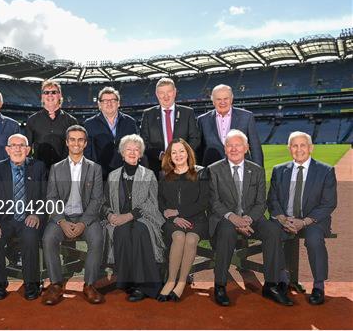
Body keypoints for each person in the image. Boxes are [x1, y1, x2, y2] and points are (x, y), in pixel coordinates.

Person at [208, 129, 292, 306]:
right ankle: (220, 285)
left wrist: (247, 219)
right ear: (225, 149)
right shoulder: (214, 170)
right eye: (229, 145)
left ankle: (271, 285)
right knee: (226, 231)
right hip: (225, 219)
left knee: (272, 230)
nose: (233, 149)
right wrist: (233, 218)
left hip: (252, 218)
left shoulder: (257, 170)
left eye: (238, 145)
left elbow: (261, 203)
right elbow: (214, 202)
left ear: (246, 148)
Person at [267, 131, 337, 305]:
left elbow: (329, 204)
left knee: (314, 240)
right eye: (294, 146)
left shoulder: (325, 171)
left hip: (313, 220)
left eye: (303, 145)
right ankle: (282, 280)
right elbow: (272, 199)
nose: (299, 149)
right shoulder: (279, 170)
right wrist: (282, 218)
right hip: (285, 218)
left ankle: (318, 286)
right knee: (272, 234)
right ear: (289, 148)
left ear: (311, 147)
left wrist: (303, 222)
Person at [41, 125, 104, 305]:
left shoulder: (95, 169)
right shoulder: (56, 168)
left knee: (98, 239)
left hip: (86, 218)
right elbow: (51, 198)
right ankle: (56, 284)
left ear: (85, 143)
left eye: (80, 140)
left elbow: (97, 200)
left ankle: (90, 284)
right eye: (73, 140)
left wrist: (83, 223)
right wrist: (61, 221)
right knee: (48, 239)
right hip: (62, 218)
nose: (76, 143)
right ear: (67, 142)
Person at [0, 133, 48, 301]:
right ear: (7, 149)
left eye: (21, 145)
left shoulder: (39, 167)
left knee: (30, 236)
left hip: (29, 218)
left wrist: (37, 213)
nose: (17, 149)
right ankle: (0, 283)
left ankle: (31, 283)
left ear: (28, 150)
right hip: (5, 220)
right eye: (13, 145)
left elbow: (45, 196)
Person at [101, 134, 164, 302]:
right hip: (119, 218)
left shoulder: (149, 175)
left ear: (141, 154)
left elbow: (152, 202)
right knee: (120, 232)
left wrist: (129, 216)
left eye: (136, 149)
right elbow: (104, 202)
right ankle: (126, 281)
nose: (132, 152)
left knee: (139, 231)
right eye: (128, 149)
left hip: (143, 217)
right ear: (122, 153)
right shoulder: (113, 175)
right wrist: (110, 215)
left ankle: (145, 286)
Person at [157, 138, 209, 301]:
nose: (178, 155)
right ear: (169, 156)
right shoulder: (164, 174)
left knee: (191, 239)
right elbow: (160, 202)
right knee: (179, 237)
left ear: (188, 153)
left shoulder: (201, 172)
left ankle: (181, 282)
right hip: (172, 222)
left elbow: (204, 202)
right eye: (173, 152)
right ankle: (170, 281)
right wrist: (170, 216)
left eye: (181, 151)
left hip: (197, 219)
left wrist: (179, 212)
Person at [140, 77, 200, 176]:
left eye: (169, 91)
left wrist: (181, 155)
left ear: (175, 92)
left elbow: (195, 138)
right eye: (161, 92)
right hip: (157, 168)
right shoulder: (148, 114)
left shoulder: (188, 112)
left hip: (184, 166)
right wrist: (161, 155)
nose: (166, 96)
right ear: (156, 94)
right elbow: (143, 142)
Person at [197, 84, 263, 167]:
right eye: (218, 99)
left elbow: (255, 149)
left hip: (242, 170)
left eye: (226, 98)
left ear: (231, 99)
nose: (222, 102)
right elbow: (200, 151)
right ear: (213, 101)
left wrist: (259, 173)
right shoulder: (203, 120)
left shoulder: (246, 117)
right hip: (213, 172)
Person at [84, 86, 139, 179]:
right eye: (105, 101)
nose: (109, 103)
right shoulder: (89, 124)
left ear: (118, 103)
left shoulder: (130, 122)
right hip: (100, 175)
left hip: (126, 173)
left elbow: (137, 147)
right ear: (99, 104)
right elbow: (87, 152)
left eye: (113, 100)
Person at [26, 80, 78, 169]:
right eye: (46, 92)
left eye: (54, 92)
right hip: (39, 170)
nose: (50, 95)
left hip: (64, 169)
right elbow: (27, 149)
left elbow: (76, 148)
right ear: (42, 97)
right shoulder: (32, 120)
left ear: (60, 96)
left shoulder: (71, 121)